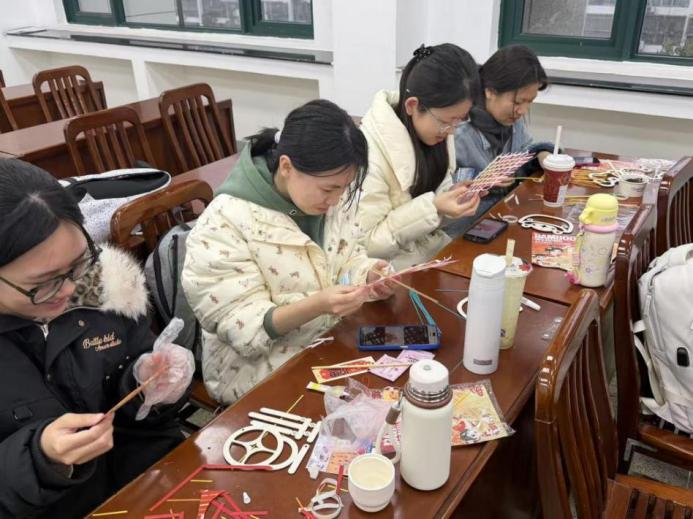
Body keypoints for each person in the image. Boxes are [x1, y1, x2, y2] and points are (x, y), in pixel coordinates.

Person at [0, 159, 194, 519]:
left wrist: (148, 384)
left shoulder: (108, 292)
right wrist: (40, 460)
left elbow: (144, 420)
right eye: (42, 284)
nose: (70, 289)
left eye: (78, 264)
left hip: (155, 487)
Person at [182, 99, 393, 405]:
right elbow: (241, 328)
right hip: (256, 373)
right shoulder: (224, 222)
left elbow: (347, 257)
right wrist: (318, 305)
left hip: (326, 343)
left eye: (345, 187)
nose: (336, 200)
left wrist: (369, 274)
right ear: (286, 167)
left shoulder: (328, 198)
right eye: (329, 189)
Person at [357, 43, 483, 269]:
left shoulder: (435, 132)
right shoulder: (369, 154)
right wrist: (433, 207)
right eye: (446, 122)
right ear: (412, 105)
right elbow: (366, 245)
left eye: (460, 120)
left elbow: (433, 216)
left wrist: (453, 200)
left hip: (431, 257)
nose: (452, 131)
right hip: (389, 271)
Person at [449, 44, 554, 236]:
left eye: (530, 102)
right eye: (517, 102)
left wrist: (541, 153)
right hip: (463, 232)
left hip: (500, 220)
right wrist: (481, 181)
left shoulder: (510, 120)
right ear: (489, 91)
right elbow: (438, 190)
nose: (523, 111)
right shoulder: (457, 130)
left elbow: (524, 151)